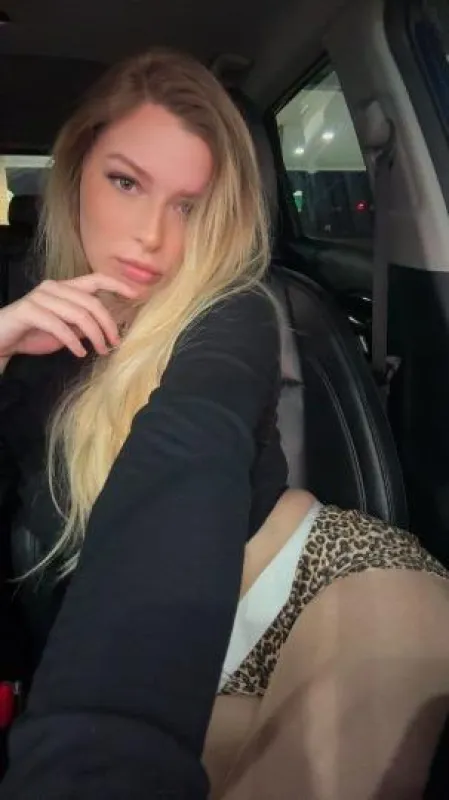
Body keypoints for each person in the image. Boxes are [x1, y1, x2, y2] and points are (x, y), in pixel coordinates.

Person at [0, 47, 448, 799]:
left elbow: (186, 459)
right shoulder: (24, 315)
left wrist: (96, 746)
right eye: (125, 182)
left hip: (297, 591)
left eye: (188, 205)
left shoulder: (231, 314)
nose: (151, 235)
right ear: (75, 171)